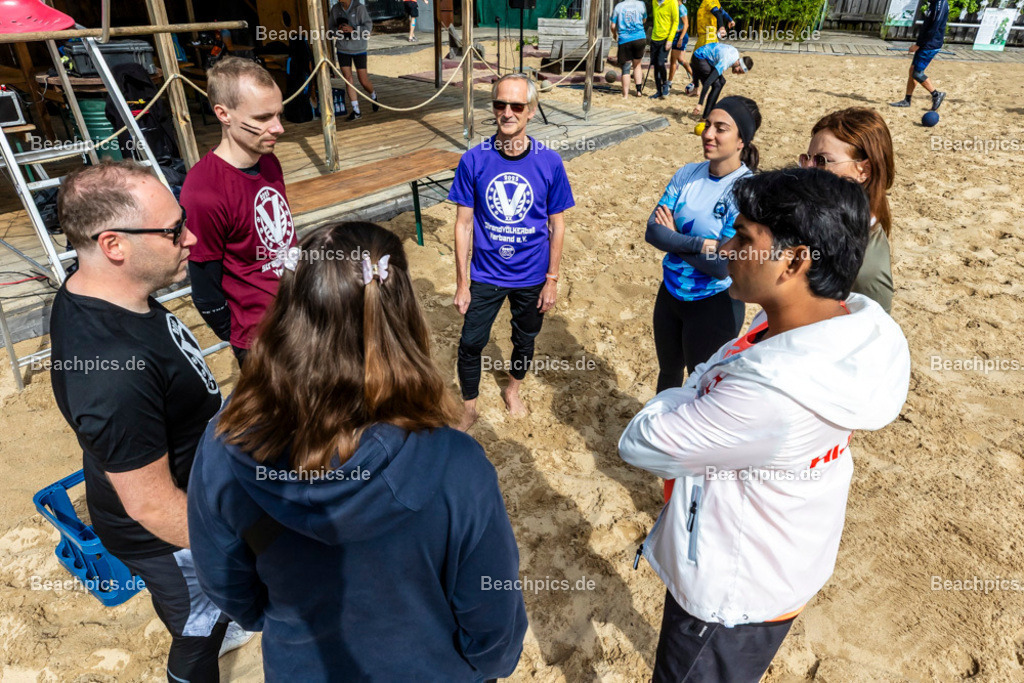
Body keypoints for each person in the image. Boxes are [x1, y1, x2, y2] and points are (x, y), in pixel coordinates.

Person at [187, 222, 528, 681]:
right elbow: (493, 622)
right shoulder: (456, 466)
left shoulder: (226, 441)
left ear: (286, 309)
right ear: (403, 314)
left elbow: (228, 587)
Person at [620, 168, 911, 681]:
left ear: (796, 261)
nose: (726, 248)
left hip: (730, 597)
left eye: (744, 237)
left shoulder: (771, 395)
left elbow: (640, 443)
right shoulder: (839, 325)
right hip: (780, 559)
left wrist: (686, 391)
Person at [49, 161, 253, 683]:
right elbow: (152, 504)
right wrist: (237, 546)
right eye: (172, 230)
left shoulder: (104, 291)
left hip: (192, 492)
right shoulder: (113, 376)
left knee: (214, 610)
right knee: (197, 627)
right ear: (114, 245)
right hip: (169, 538)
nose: (191, 237)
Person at [449, 73, 574, 431]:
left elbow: (558, 225)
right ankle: (469, 406)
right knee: (471, 343)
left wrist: (551, 280)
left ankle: (513, 389)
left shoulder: (549, 162)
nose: (507, 112)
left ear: (531, 110)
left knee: (525, 339)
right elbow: (463, 225)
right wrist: (462, 283)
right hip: (485, 274)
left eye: (516, 105)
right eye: (500, 104)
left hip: (532, 276)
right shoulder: (474, 160)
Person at [182, 57, 297, 366]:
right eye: (263, 117)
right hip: (262, 338)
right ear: (223, 114)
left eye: (278, 114)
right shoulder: (203, 191)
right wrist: (244, 340)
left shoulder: (268, 159)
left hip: (299, 314)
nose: (278, 128)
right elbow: (205, 288)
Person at [645, 95, 760, 394]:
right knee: (668, 373)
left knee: (702, 388)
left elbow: (722, 266)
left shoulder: (747, 191)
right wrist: (702, 244)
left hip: (714, 304)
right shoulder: (687, 173)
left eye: (720, 128)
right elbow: (652, 231)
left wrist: (674, 239)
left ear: (741, 141)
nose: (707, 134)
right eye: (707, 125)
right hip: (670, 294)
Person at [801, 107, 896, 313]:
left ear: (864, 170)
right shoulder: (812, 220)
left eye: (822, 161)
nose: (807, 168)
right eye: (807, 158)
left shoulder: (866, 269)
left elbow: (875, 335)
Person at [328, 0, 380, 120]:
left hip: (359, 49)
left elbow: (368, 27)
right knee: (348, 79)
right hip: (342, 49)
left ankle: (373, 95)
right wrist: (338, 30)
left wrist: (353, 29)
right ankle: (356, 111)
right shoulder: (335, 8)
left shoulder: (359, 8)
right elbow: (330, 28)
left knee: (363, 80)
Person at [891, 0, 947, 110]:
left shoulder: (940, 4)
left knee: (917, 73)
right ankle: (907, 100)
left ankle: (936, 95)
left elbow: (934, 27)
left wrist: (918, 45)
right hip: (926, 44)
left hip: (930, 45)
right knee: (912, 71)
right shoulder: (934, 3)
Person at [689, 41, 752, 119]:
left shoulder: (735, 54)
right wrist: (700, 104)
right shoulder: (726, 61)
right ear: (739, 63)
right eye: (739, 71)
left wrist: (696, 85)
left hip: (703, 55)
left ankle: (709, 112)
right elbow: (707, 83)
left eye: (740, 73)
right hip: (699, 57)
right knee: (717, 84)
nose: (737, 73)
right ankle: (706, 116)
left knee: (722, 81)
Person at [687, 0, 734, 94]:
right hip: (708, 36)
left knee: (697, 62)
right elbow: (722, 11)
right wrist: (730, 19)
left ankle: (711, 84)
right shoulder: (713, 1)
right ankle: (697, 87)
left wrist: (721, 27)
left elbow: (717, 13)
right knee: (695, 62)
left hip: (707, 37)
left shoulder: (708, 1)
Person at [610, 0, 648, 99]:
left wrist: (614, 34)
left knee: (626, 68)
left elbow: (613, 26)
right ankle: (639, 91)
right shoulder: (641, 4)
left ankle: (625, 95)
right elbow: (644, 19)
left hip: (625, 39)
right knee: (637, 65)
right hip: (640, 37)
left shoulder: (619, 6)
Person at [648, 0, 679, 99]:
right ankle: (658, 91)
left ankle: (665, 83)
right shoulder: (654, 2)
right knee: (655, 66)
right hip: (654, 38)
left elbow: (676, 22)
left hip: (665, 39)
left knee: (661, 63)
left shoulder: (672, 2)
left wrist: (670, 39)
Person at [666, 1, 692, 95]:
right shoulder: (675, 6)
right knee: (681, 60)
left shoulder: (681, 8)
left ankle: (668, 83)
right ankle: (696, 78)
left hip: (680, 36)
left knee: (673, 60)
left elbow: (686, 25)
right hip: (677, 36)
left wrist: (680, 38)